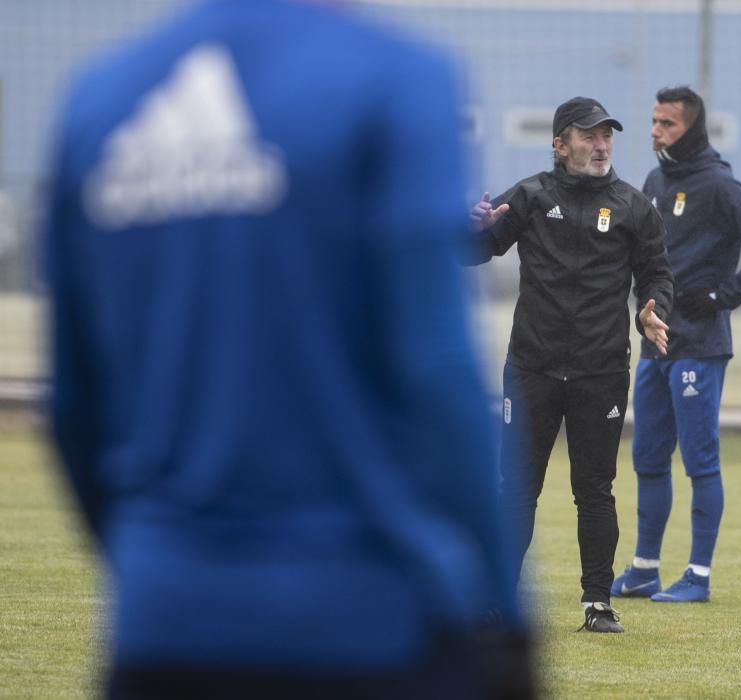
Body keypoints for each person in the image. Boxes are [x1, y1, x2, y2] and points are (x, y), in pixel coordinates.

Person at [43, 1, 534, 697]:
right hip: (365, 622)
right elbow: (436, 373)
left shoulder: (99, 98)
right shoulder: (398, 76)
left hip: (166, 624)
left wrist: (163, 567)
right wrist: (506, 621)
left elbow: (75, 405)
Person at [468, 96, 674, 633]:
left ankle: (598, 604)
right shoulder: (531, 196)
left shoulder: (634, 206)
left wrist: (653, 312)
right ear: (560, 144)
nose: (601, 144)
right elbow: (475, 249)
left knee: (595, 489)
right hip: (532, 367)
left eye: (606, 135)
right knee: (515, 489)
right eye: (588, 135)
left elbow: (656, 275)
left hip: (600, 370)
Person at [612, 86, 741, 603]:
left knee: (700, 462)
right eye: (653, 122)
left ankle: (698, 575)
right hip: (654, 347)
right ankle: (645, 567)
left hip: (699, 346)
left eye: (666, 124)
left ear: (691, 128)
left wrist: (721, 296)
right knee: (646, 457)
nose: (654, 132)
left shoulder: (719, 185)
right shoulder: (653, 180)